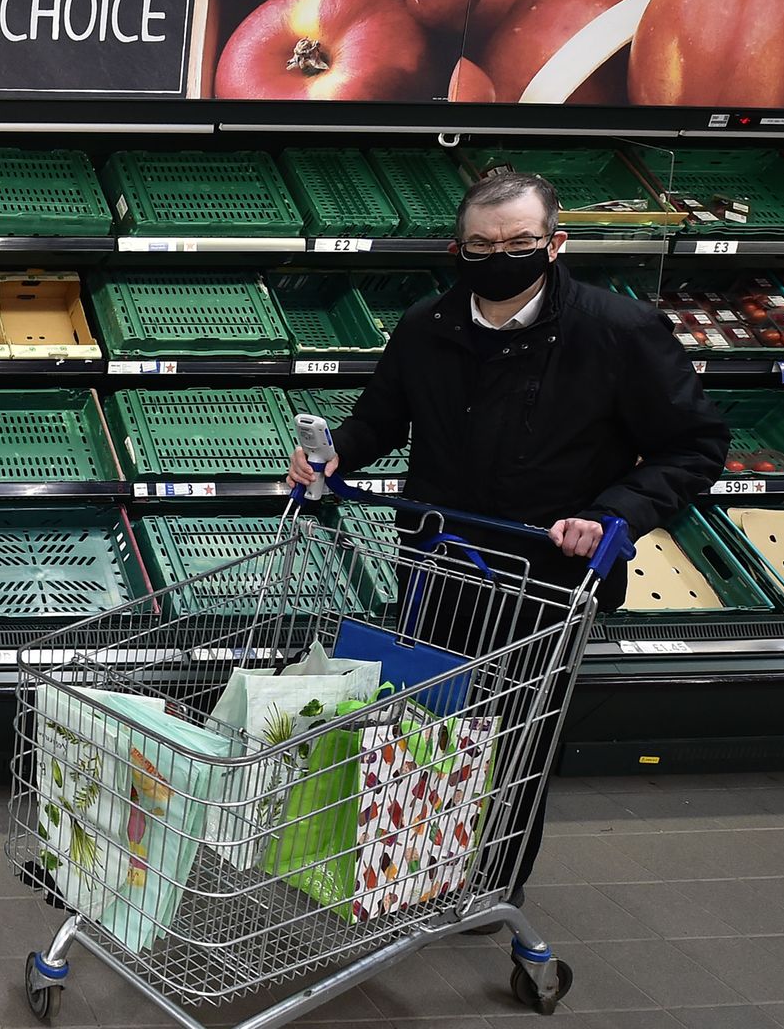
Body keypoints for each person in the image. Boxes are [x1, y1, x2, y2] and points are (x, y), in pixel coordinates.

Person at [286, 171, 728, 925]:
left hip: (546, 579)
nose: (500, 257)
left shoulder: (619, 332)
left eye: (520, 243)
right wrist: (334, 458)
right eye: (483, 245)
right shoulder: (427, 325)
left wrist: (613, 512)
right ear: (458, 248)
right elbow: (382, 417)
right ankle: (409, 868)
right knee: (421, 720)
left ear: (554, 244)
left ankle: (494, 883)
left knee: (516, 741)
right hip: (440, 563)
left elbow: (695, 446)